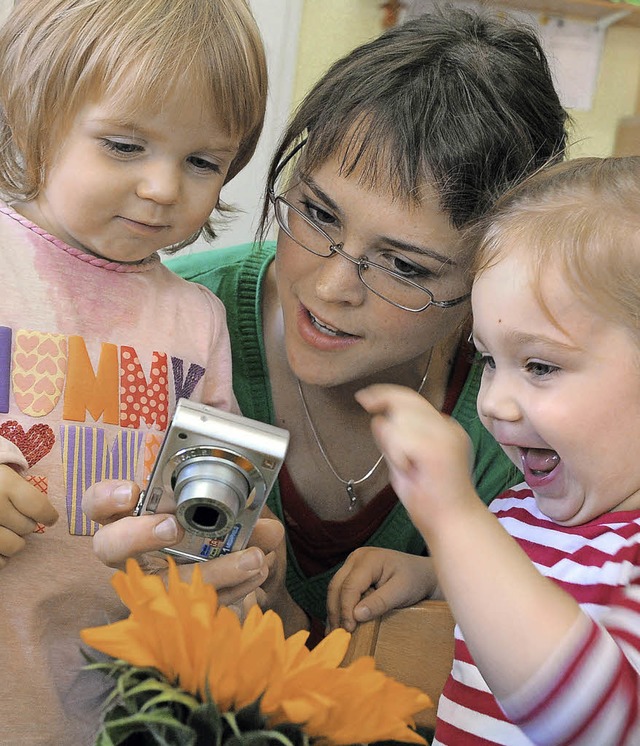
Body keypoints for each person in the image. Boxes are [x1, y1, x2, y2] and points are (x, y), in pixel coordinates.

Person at [83, 7, 569, 641]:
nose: (330, 287)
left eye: (403, 265)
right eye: (316, 213)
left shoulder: (522, 419)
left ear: (487, 280)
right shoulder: (163, 326)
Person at [0, 0, 276, 742]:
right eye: (124, 145)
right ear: (31, 119)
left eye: (202, 161)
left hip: (122, 703)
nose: (161, 186)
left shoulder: (198, 319)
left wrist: (239, 559)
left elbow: (216, 502)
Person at [350, 156, 640, 744]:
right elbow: (542, 583)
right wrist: (437, 577)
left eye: (539, 365)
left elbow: (601, 718)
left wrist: (455, 524)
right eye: (488, 359)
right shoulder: (516, 515)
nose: (495, 404)